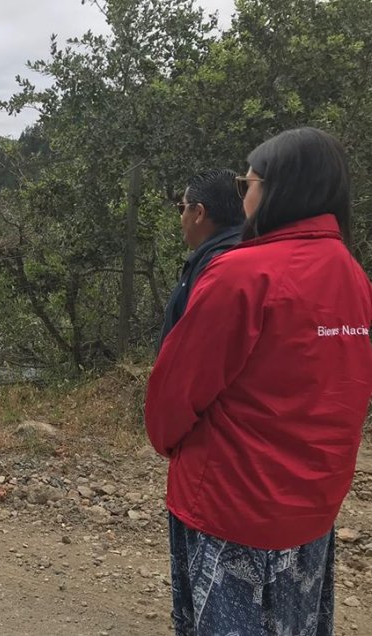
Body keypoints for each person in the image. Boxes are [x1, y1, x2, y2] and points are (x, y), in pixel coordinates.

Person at [145, 128, 372, 635]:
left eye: (248, 183)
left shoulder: (240, 275)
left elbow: (174, 395)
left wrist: (168, 444)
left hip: (231, 505)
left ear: (278, 189)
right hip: (311, 508)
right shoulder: (352, 275)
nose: (242, 195)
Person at [159, 168, 243, 345]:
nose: (181, 217)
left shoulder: (216, 269)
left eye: (182, 208)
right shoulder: (252, 252)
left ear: (198, 213)